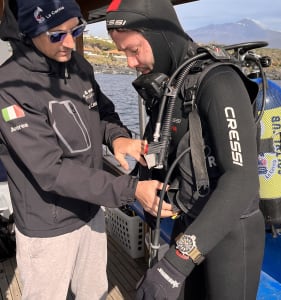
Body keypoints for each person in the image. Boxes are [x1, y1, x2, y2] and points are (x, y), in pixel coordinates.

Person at [0, 0, 175, 299]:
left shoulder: (80, 66)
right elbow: (50, 171)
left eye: (76, 29)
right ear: (30, 32)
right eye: (57, 34)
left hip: (91, 211)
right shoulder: (9, 86)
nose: (70, 42)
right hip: (47, 225)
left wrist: (118, 138)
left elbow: (103, 114)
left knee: (94, 292)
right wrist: (132, 189)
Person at [106, 0, 266, 299]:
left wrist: (175, 265)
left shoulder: (219, 81)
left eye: (133, 50)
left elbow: (242, 181)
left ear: (158, 35)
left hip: (231, 234)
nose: (129, 62)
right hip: (190, 221)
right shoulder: (173, 86)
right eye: (123, 53)